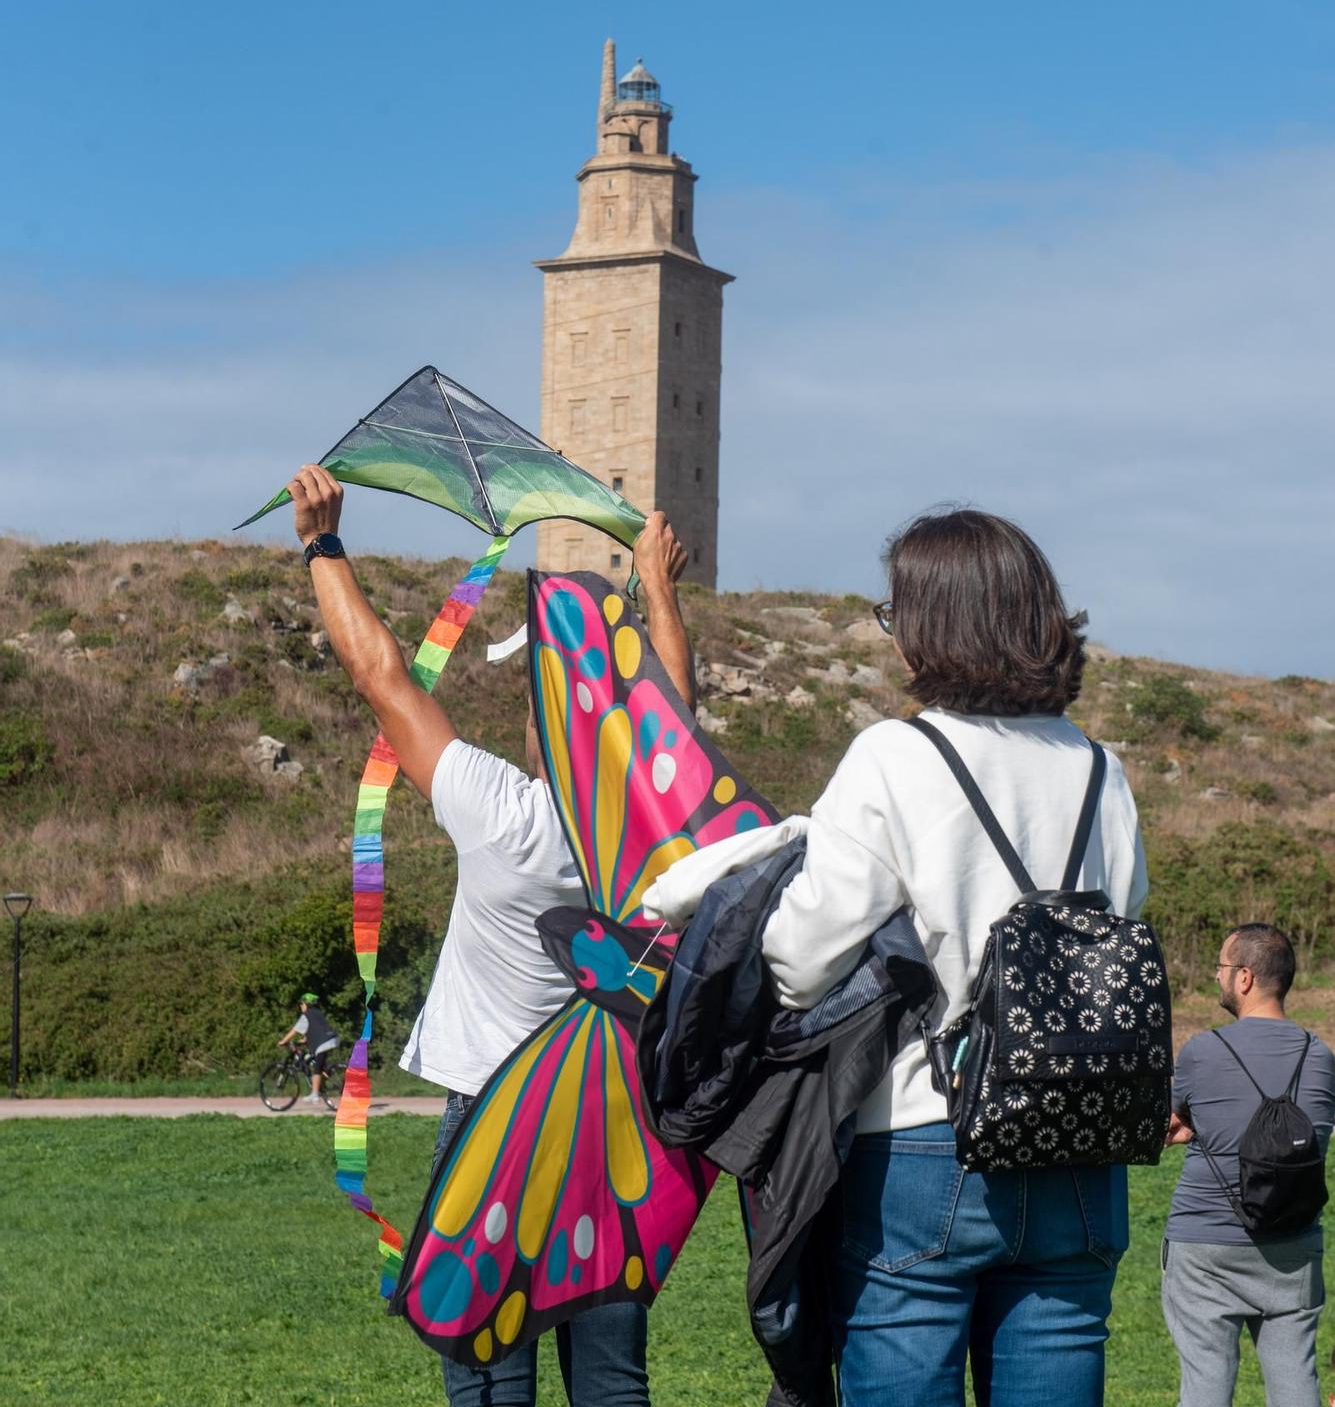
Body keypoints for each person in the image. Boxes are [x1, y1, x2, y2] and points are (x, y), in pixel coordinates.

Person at [288, 462, 694, 1407]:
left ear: (546, 717)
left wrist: (321, 543)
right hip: (609, 1128)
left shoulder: (505, 813)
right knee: (611, 1385)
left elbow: (379, 673)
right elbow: (671, 709)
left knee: (484, 1373)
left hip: (493, 1123)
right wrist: (658, 590)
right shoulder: (653, 828)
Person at [761, 507, 1148, 1407]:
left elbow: (802, 960)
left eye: (894, 614)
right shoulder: (1101, 769)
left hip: (925, 1136)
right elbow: (1119, 923)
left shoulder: (895, 755)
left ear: (933, 625)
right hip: (1081, 1143)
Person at [1162, 923, 1335, 1407]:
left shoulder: (1203, 1051)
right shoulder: (1320, 1057)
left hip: (1205, 1247)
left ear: (1243, 977)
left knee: (1206, 1384)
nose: (1216, 977)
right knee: (1296, 1381)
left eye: (1219, 967)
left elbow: (1168, 1125)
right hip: (1293, 1246)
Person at [277, 992, 339, 1107]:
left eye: (301, 1004)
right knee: (321, 1066)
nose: (300, 1006)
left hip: (323, 1043)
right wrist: (304, 1040)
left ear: (306, 1004)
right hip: (333, 1039)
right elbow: (316, 1029)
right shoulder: (318, 1013)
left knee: (317, 1069)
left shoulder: (306, 1016)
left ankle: (314, 1094)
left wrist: (283, 1041)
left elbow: (294, 1031)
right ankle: (323, 1084)